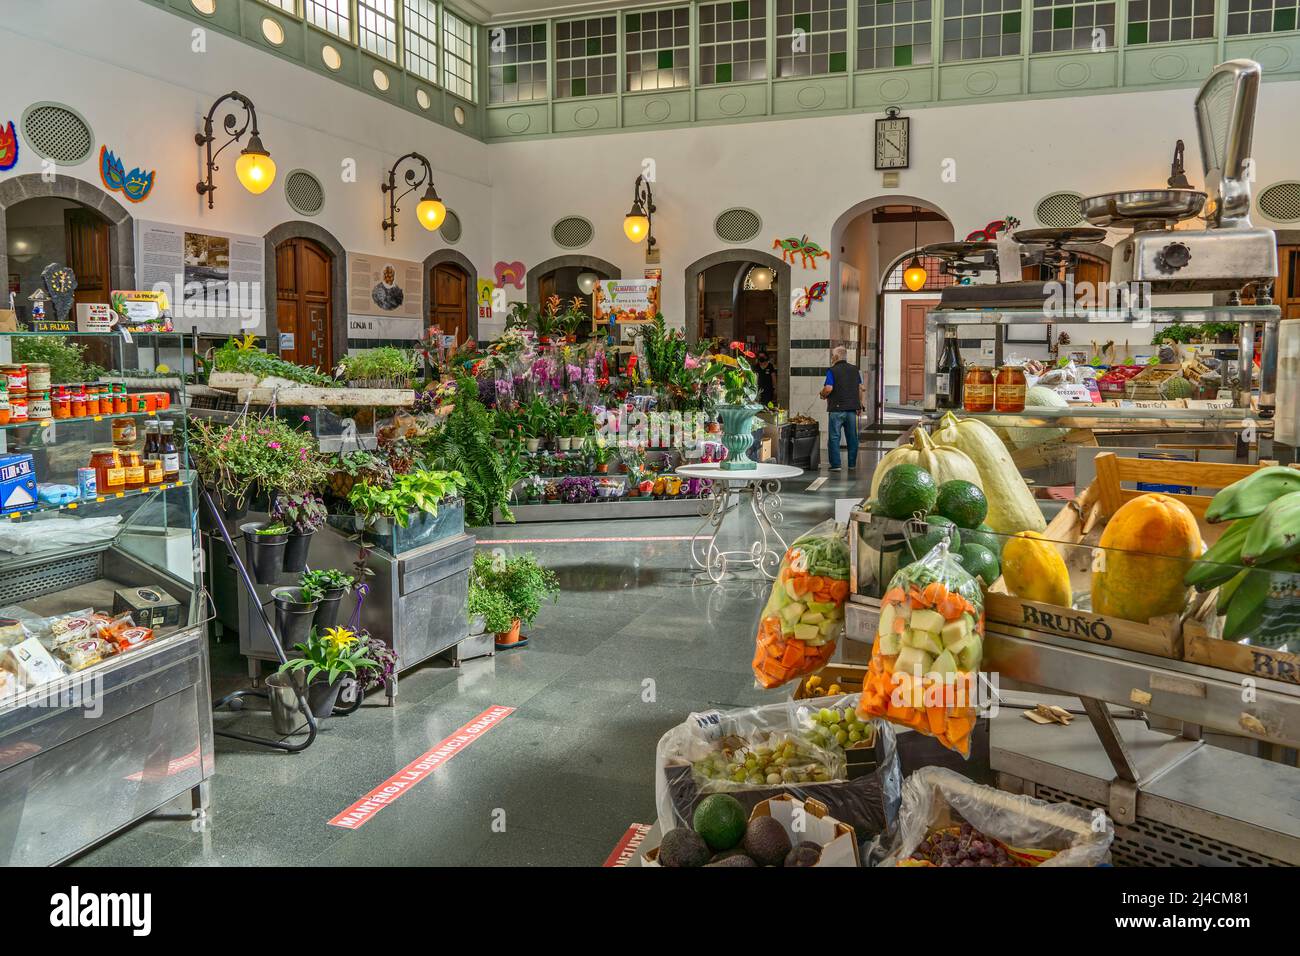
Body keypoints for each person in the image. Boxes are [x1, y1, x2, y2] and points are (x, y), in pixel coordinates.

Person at [820, 346, 864, 470]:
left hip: (836, 410)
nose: (831, 357)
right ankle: (852, 465)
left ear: (836, 356)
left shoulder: (832, 370)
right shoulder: (855, 370)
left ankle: (836, 465)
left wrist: (822, 394)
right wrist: (860, 404)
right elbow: (860, 388)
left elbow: (828, 388)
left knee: (834, 437)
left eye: (832, 355)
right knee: (852, 438)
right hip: (851, 409)